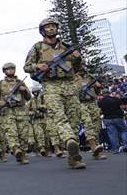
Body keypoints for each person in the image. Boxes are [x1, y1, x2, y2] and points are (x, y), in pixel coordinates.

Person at [24, 17, 86, 169]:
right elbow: (27, 66)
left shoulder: (66, 46)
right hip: (51, 86)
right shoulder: (38, 47)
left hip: (69, 84)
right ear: (43, 30)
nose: (51, 28)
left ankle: (73, 154)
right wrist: (39, 65)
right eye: (47, 27)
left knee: (74, 118)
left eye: (53, 26)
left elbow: (77, 68)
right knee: (58, 116)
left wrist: (78, 59)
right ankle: (70, 140)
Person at [0, 63, 31, 164]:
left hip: (21, 110)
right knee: (11, 132)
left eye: (12, 69)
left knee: (24, 134)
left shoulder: (20, 82)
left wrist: (24, 91)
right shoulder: (0, 84)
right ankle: (16, 149)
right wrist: (0, 102)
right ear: (4, 71)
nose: (10, 70)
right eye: (8, 69)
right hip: (8, 111)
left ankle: (23, 154)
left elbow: (28, 97)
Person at [75, 70, 106, 160]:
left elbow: (96, 93)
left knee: (96, 125)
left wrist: (97, 87)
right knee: (87, 123)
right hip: (81, 103)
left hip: (92, 103)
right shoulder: (73, 77)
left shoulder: (90, 77)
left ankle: (96, 147)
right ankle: (93, 146)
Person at [97, 88, 127, 153]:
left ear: (102, 94)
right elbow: (122, 107)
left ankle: (115, 149)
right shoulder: (116, 99)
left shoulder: (100, 101)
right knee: (123, 131)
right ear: (109, 93)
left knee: (112, 134)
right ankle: (125, 146)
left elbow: (100, 111)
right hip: (118, 117)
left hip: (107, 119)